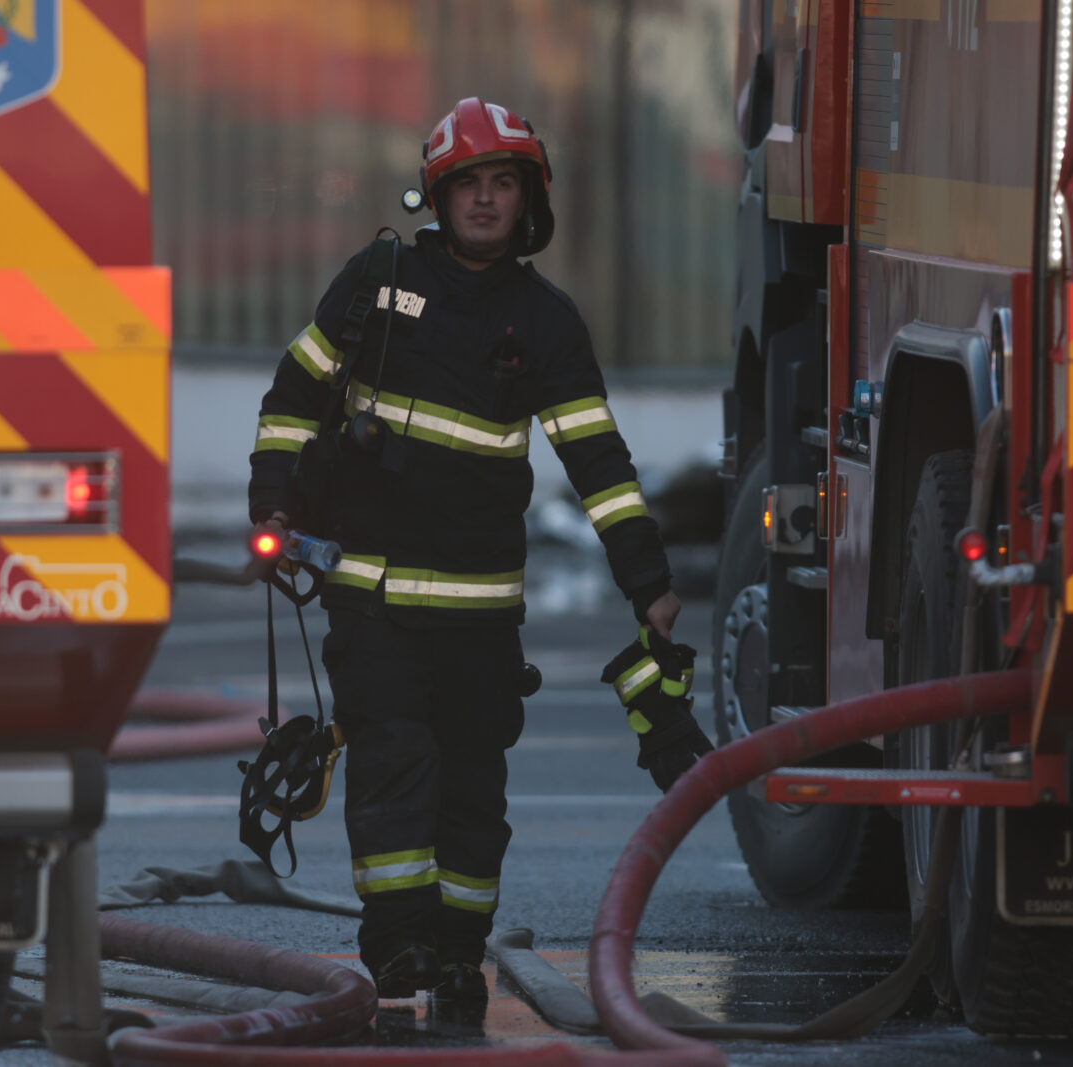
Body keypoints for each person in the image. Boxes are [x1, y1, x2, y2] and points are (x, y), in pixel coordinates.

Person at [245, 98, 696, 1008]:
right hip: (369, 596)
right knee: (394, 762)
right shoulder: (377, 285)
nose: (486, 202)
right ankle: (400, 947)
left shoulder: (547, 323)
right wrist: (272, 503)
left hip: (481, 610)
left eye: (504, 184)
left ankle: (458, 951)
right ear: (436, 197)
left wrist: (647, 582)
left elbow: (597, 461)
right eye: (469, 186)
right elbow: (294, 394)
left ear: (529, 199)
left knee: (473, 793)